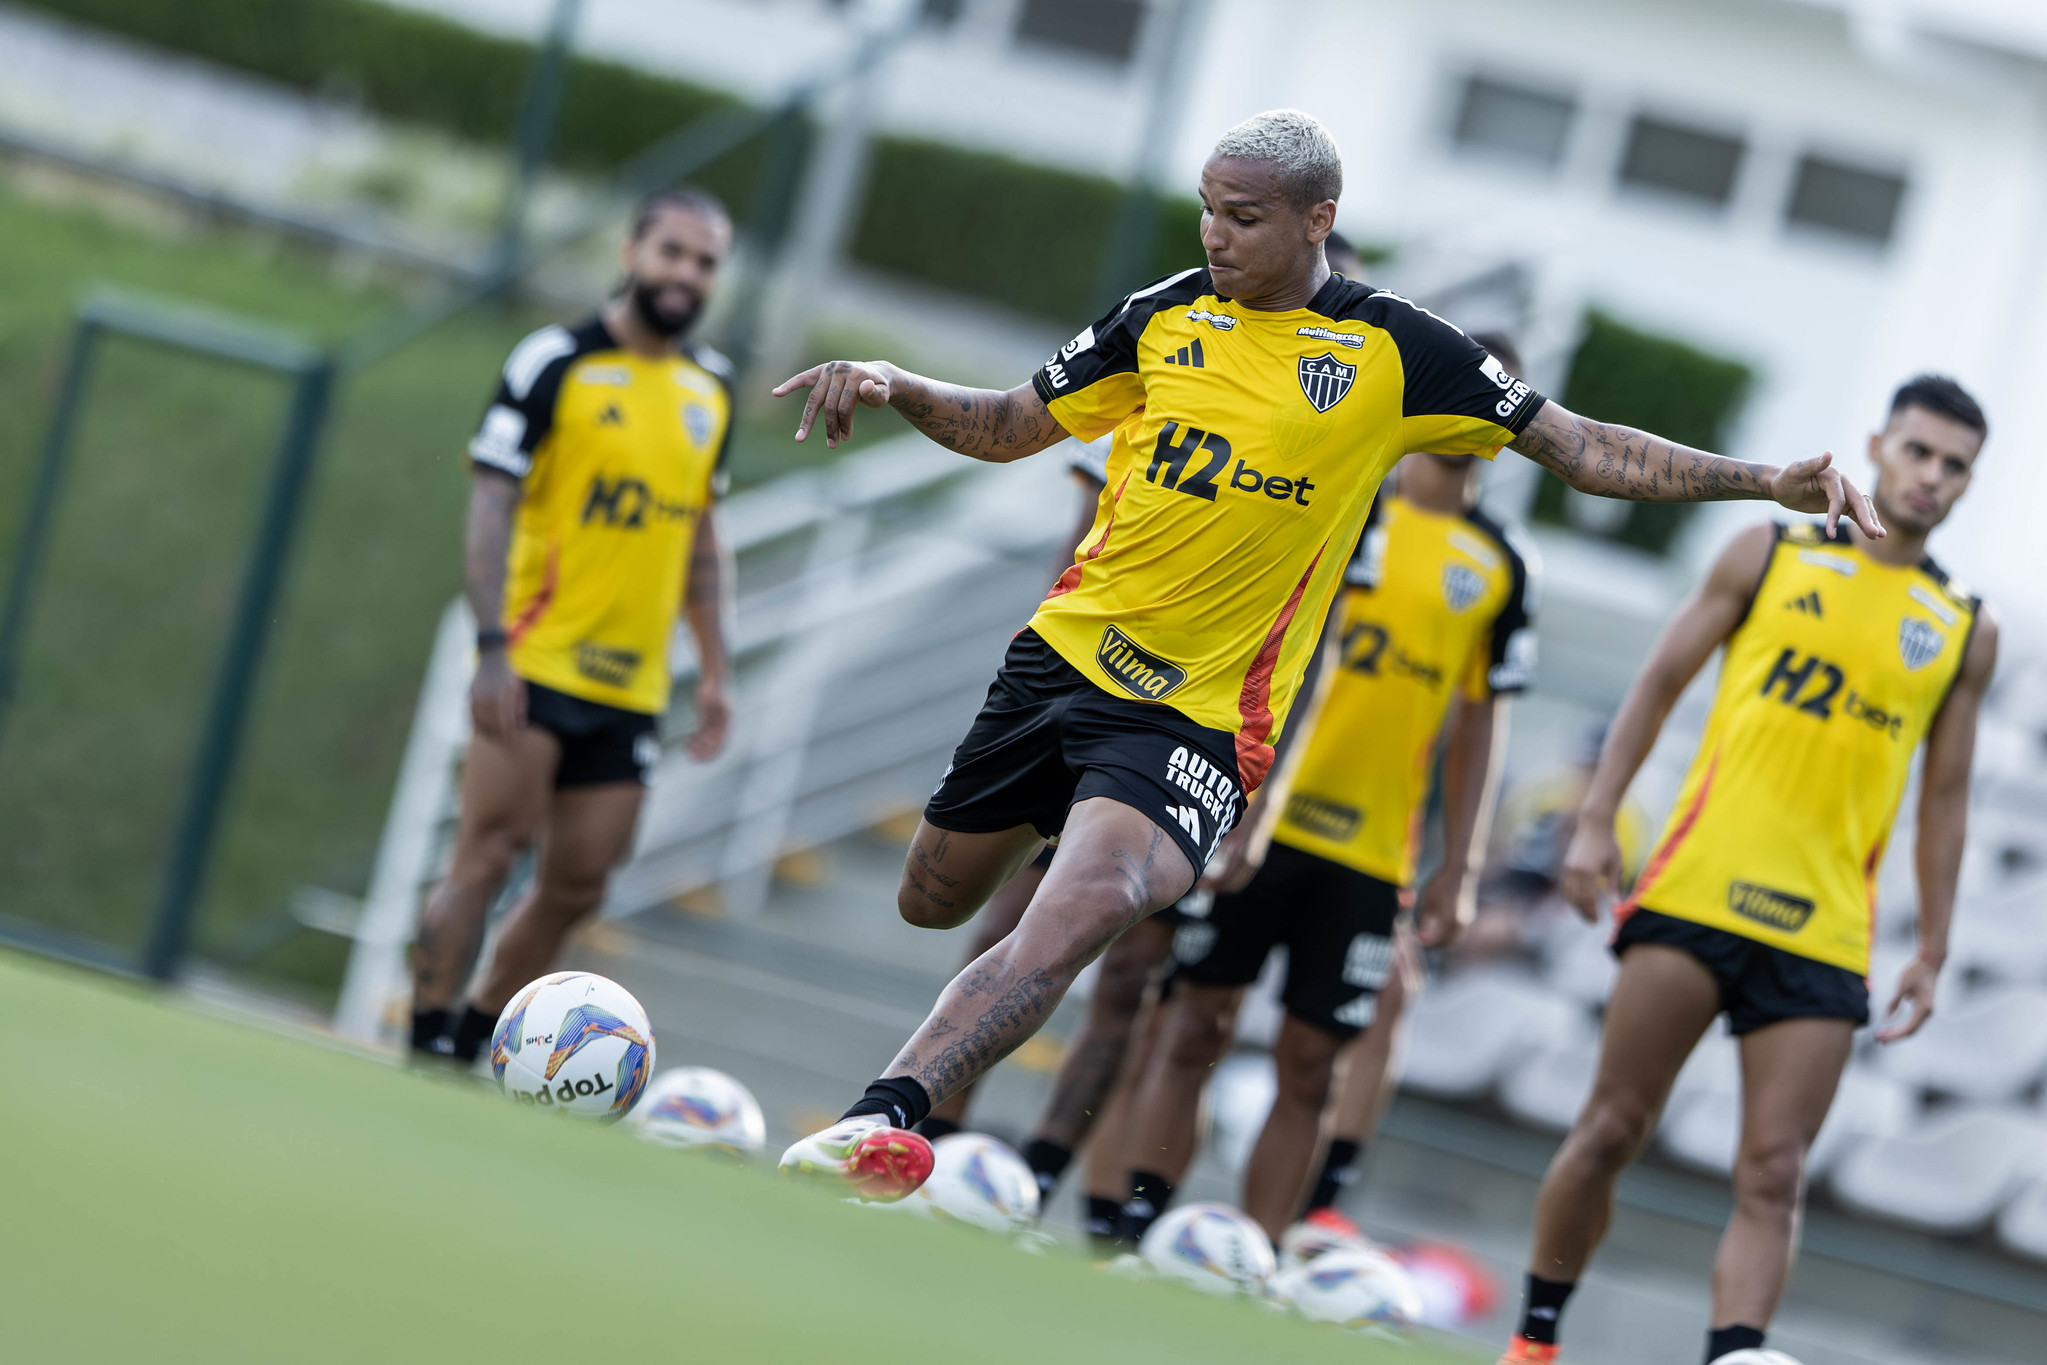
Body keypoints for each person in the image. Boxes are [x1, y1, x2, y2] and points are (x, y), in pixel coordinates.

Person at [770, 107, 1883, 1202]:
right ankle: (1056, 834)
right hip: (1061, 661)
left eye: (1241, 217)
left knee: (1090, 904)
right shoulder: (1161, 317)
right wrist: (899, 387)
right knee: (931, 898)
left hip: (1198, 717)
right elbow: (1013, 425)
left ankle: (883, 1115)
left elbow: (1583, 448)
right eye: (1206, 211)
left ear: (1318, 219)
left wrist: (1764, 481)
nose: (1213, 236)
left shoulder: (1399, 350)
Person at [1498, 375, 1995, 1365]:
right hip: (1693, 890)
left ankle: (1734, 1355)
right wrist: (1593, 824)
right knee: (1607, 1131)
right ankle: (1533, 1343)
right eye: (1918, 452)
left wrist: (1932, 949)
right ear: (1878, 445)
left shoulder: (1961, 629)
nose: (1930, 477)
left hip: (1822, 928)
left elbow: (1944, 800)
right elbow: (1654, 687)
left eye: (1953, 467)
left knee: (1773, 1174)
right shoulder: (1765, 552)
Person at [913, 229, 1384, 1240]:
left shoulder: (1352, 442)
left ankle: (1036, 1178)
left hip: (1192, 736)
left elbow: (1317, 651)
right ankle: (935, 1143)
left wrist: (1257, 805)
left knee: (1124, 977)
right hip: (1078, 690)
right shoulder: (1168, 350)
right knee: (989, 918)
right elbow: (1073, 538)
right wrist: (1035, 691)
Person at [1113, 332, 1537, 1248]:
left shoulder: (1500, 569)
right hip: (1260, 820)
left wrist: (1458, 865)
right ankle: (1131, 1223)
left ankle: (1255, 1259)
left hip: (1369, 852)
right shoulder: (1347, 500)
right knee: (1192, 1025)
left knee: (1311, 1066)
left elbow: (1478, 726)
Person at [407, 186, 737, 1063]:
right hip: (535, 661)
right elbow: (489, 504)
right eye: (671, 252)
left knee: (578, 883)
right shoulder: (553, 361)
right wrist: (490, 649)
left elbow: (702, 535)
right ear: (631, 254)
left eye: (705, 262)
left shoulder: (713, 390)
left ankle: (478, 1039)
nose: (686, 274)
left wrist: (714, 668)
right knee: (484, 855)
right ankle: (420, 1038)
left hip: (630, 683)